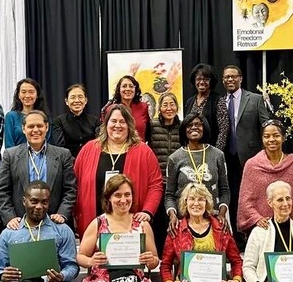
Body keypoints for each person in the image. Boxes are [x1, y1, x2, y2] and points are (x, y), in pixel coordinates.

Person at [74, 104, 162, 239]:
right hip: (93, 222)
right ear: (106, 124)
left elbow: (155, 185)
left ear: (129, 125)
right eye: (113, 121)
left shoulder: (144, 152)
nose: (117, 125)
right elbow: (74, 184)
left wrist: (148, 211)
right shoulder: (88, 149)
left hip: (130, 226)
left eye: (122, 122)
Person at [0, 110, 76, 230]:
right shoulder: (10, 155)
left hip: (54, 223)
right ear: (23, 129)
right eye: (30, 126)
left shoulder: (63, 155)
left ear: (47, 127)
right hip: (20, 225)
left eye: (39, 126)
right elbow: (2, 191)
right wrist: (10, 217)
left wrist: (62, 213)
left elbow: (70, 189)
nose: (35, 130)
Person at [238, 119, 293, 238]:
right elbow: (245, 201)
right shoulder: (252, 165)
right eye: (266, 136)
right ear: (262, 139)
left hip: (291, 228)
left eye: (276, 135)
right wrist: (257, 219)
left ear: (283, 138)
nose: (271, 139)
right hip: (262, 229)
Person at [222, 64, 270, 250]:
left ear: (240, 78)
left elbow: (266, 126)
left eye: (233, 76)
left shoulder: (255, 99)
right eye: (226, 77)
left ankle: (255, 236)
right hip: (227, 158)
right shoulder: (220, 102)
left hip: (251, 157)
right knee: (233, 198)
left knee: (253, 197)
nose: (230, 79)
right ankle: (238, 240)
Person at [165, 113, 230, 235]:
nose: (194, 127)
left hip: (213, 219)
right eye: (189, 125)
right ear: (184, 130)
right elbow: (169, 195)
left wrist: (222, 214)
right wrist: (172, 216)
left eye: (198, 124)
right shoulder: (174, 158)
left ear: (204, 128)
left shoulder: (218, 155)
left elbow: (224, 190)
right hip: (184, 221)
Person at [148, 92, 181, 254]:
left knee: (176, 219)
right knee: (159, 220)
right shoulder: (152, 126)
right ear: (159, 108)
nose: (169, 108)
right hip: (158, 180)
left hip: (177, 181)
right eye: (165, 105)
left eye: (172, 104)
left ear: (177, 107)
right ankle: (159, 254)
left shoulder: (182, 127)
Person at [184, 63, 229, 150]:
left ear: (211, 81)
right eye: (198, 79)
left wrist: (216, 153)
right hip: (192, 150)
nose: (201, 82)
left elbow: (223, 131)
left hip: (211, 150)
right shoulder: (189, 102)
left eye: (206, 79)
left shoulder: (218, 100)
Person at [52, 83, 100, 158]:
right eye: (73, 97)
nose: (77, 100)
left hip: (90, 159)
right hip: (67, 161)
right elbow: (59, 148)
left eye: (80, 97)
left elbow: (99, 144)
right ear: (66, 101)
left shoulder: (95, 121)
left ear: (86, 100)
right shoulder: (58, 121)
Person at [4, 78, 51, 148]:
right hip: (16, 154)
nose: (27, 95)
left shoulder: (45, 116)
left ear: (37, 95)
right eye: (23, 92)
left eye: (31, 92)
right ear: (18, 95)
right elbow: (9, 145)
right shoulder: (11, 116)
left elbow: (48, 143)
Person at [101, 75, 149, 142]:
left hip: (139, 146)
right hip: (117, 146)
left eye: (131, 86)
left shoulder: (143, 107)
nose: (128, 89)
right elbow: (104, 132)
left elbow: (148, 132)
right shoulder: (110, 108)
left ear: (135, 89)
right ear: (119, 89)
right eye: (124, 86)